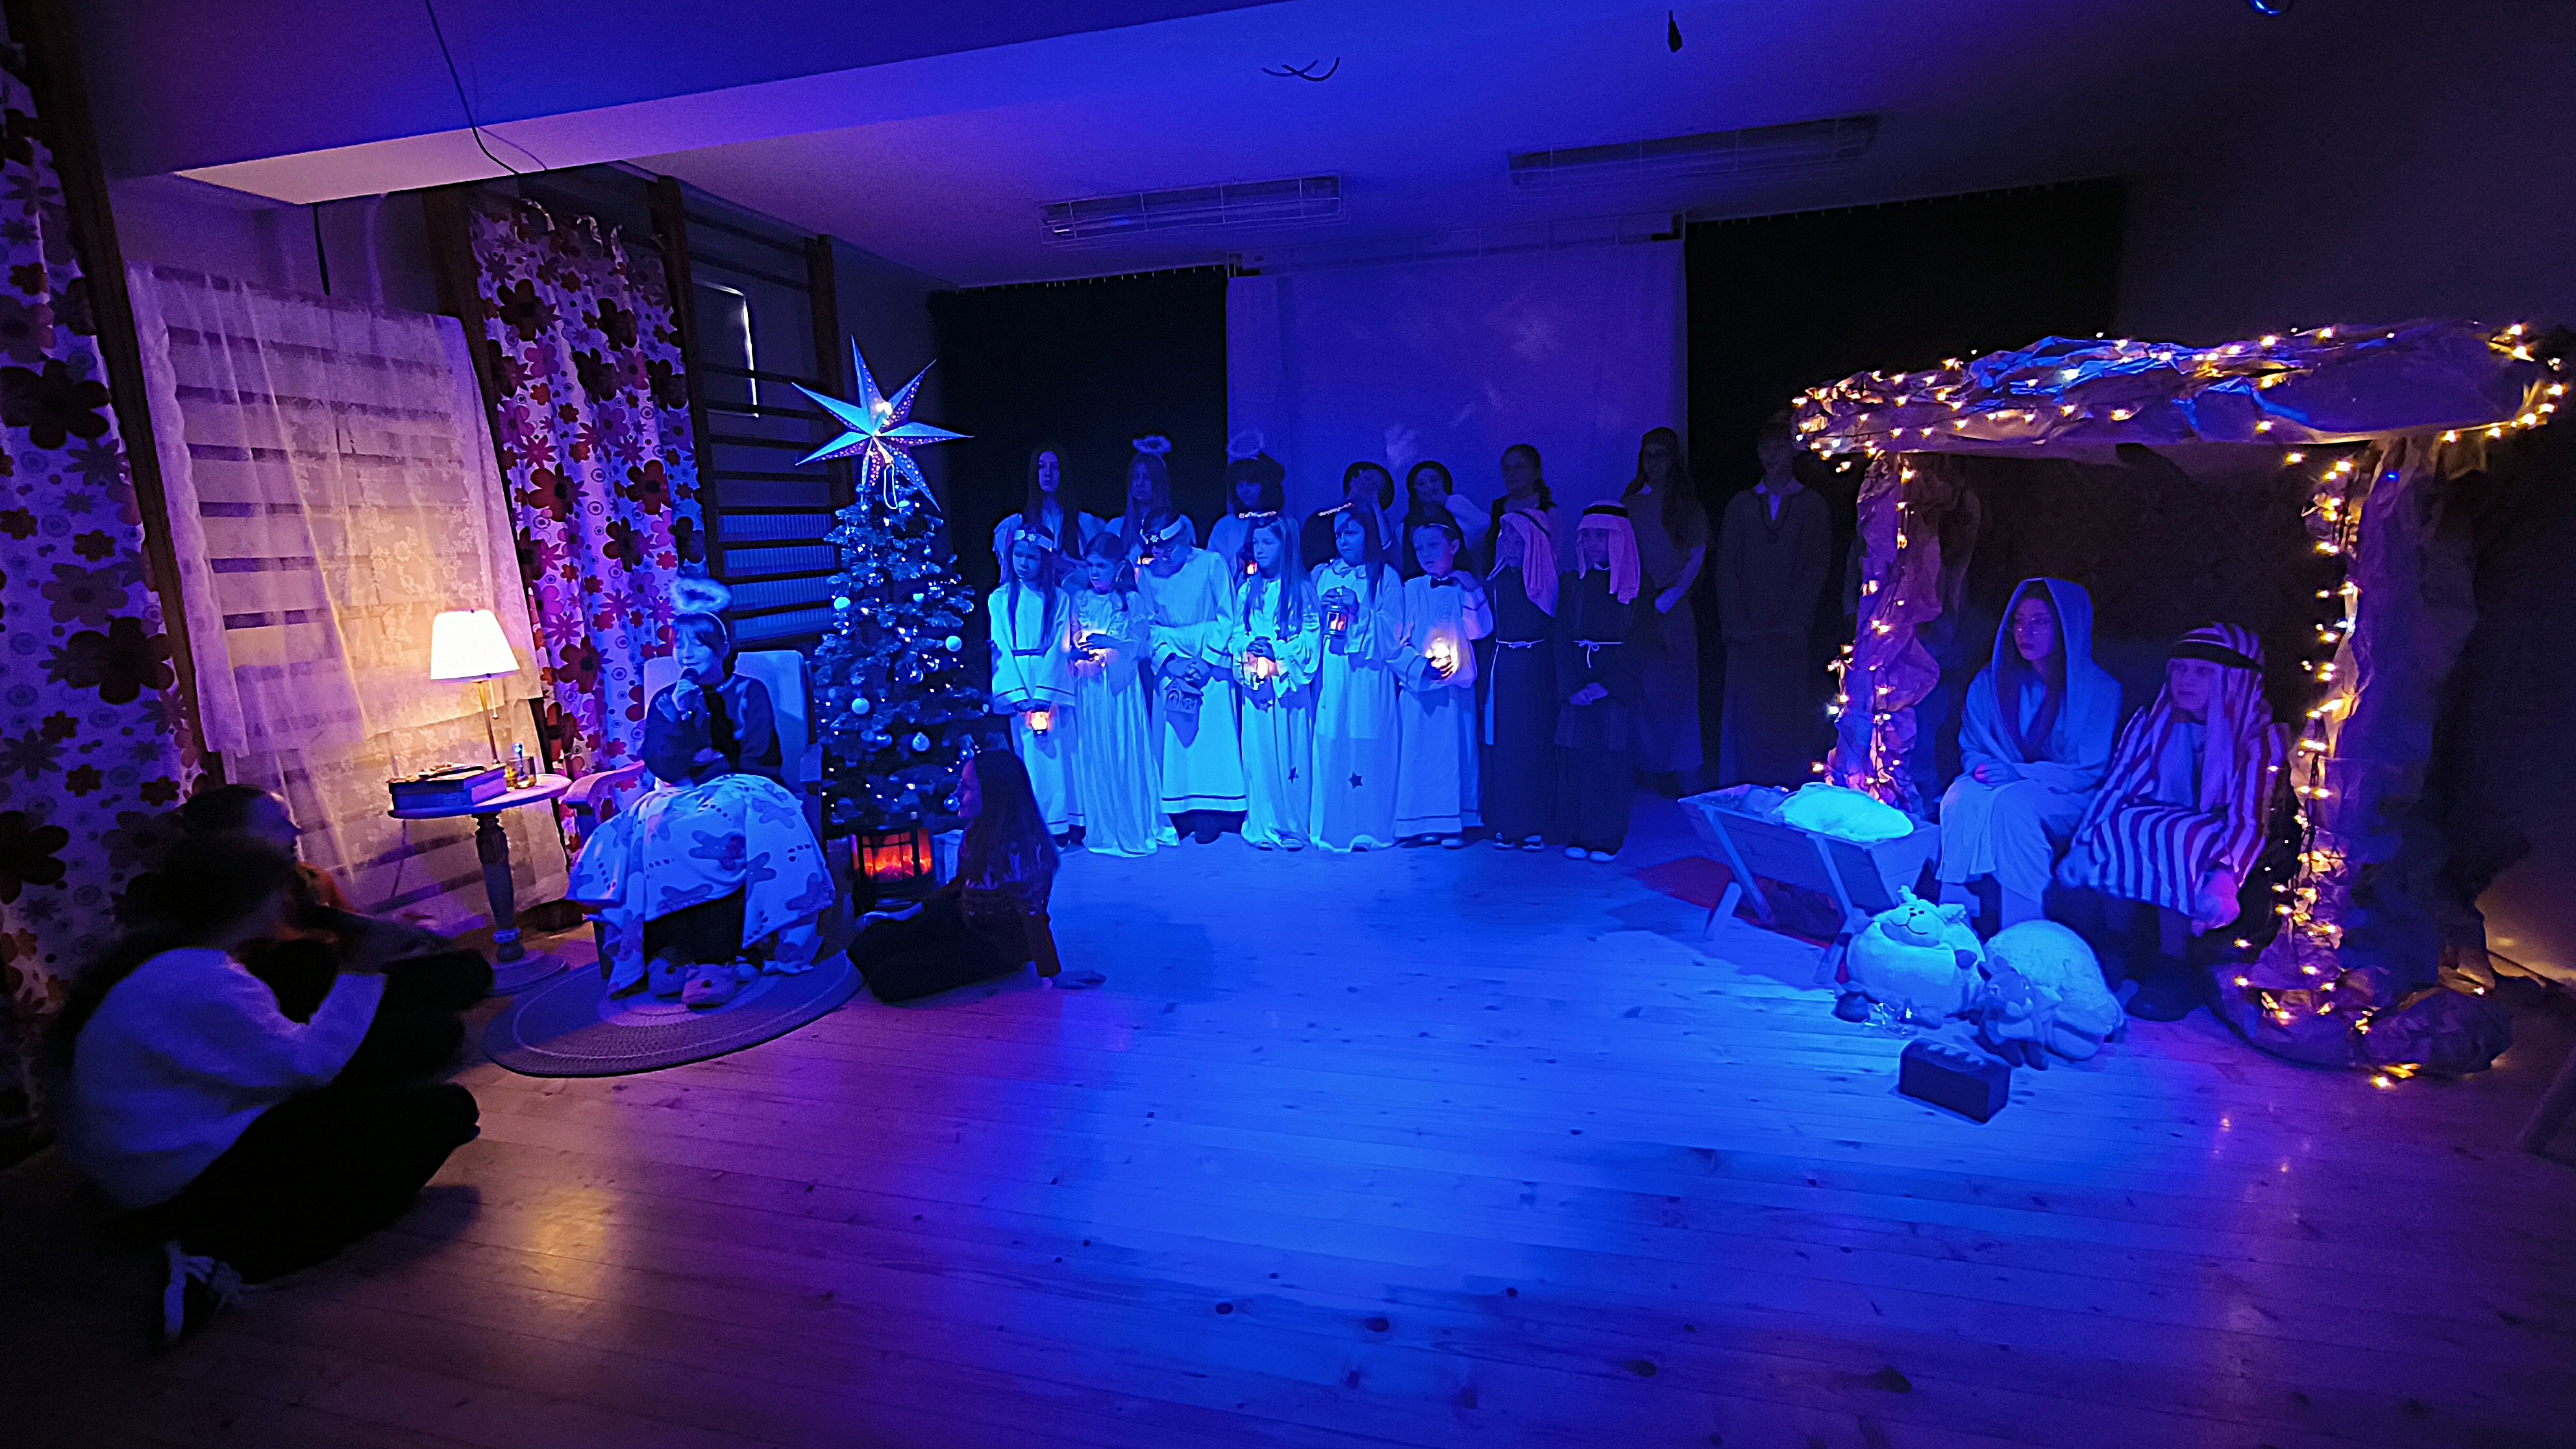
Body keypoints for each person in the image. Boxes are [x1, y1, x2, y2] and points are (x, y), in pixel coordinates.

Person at [52, 835, 486, 1343]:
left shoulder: (167, 960)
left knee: (408, 1086)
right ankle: (225, 1257)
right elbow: (308, 1066)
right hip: (173, 1173)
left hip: (156, 1153)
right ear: (258, 899)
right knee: (444, 1114)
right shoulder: (203, 979)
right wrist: (362, 968)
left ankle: (211, 1231)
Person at [567, 576, 834, 1006]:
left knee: (713, 829)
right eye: (680, 644)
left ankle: (719, 955)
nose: (687, 654)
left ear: (722, 648)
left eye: (699, 644)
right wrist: (681, 719)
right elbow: (663, 765)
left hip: (744, 784)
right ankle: (670, 950)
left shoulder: (750, 691)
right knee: (655, 829)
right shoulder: (667, 700)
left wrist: (712, 757)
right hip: (678, 789)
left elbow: (760, 757)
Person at [2057, 623, 2286, 1021]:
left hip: (2219, 831)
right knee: (2125, 822)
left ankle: (2174, 962)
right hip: (2165, 817)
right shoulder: (2154, 722)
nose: (2186, 680)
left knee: (2180, 834)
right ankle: (2117, 944)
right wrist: (2085, 843)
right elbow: (2120, 784)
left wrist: (2226, 878)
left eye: (2202, 672)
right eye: (2180, 669)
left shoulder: (2258, 737)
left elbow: (2251, 815)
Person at [127, 784, 448, 1020]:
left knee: (457, 972)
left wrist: (396, 933)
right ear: (234, 842)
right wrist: (366, 966)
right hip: (301, 1020)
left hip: (352, 993)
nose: (296, 830)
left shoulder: (310, 879)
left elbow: (353, 936)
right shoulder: (218, 918)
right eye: (279, 825)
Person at [1937, 579, 2121, 933]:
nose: (2026, 633)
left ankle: (2024, 926)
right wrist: (1983, 770)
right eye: (2019, 622)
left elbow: (2088, 771)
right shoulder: (1991, 682)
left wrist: (2019, 774)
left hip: (2070, 795)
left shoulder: (2100, 691)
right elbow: (1974, 745)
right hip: (2004, 784)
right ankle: (1954, 917)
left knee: (2014, 804)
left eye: (2039, 622)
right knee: (1962, 794)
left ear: (2065, 627)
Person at [852, 750, 1101, 1001]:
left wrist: (1054, 973)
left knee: (888, 980)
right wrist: (906, 914)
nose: (957, 794)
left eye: (968, 787)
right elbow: (961, 884)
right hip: (963, 919)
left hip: (995, 947)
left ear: (994, 795)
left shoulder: (1022, 851)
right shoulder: (976, 832)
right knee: (867, 946)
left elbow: (1033, 916)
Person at [1716, 412, 1833, 786]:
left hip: (1789, 633)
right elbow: (1728, 568)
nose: (1771, 455)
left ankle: (1786, 783)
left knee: (1787, 709)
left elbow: (1816, 568)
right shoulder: (1741, 505)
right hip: (1747, 633)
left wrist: (1795, 622)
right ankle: (1745, 785)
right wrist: (1737, 623)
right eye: (1765, 448)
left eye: (1779, 447)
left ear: (1793, 451)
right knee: (1748, 711)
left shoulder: (1811, 506)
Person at [1137, 508, 1247, 842]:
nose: (1164, 556)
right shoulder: (1149, 576)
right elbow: (1148, 625)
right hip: (1172, 664)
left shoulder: (1211, 564)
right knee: (1176, 741)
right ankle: (1179, 808)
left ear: (1184, 538)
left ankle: (1214, 810)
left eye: (1170, 549)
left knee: (1211, 737)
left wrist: (1207, 660)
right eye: (1158, 550)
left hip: (1208, 663)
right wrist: (1170, 661)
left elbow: (1227, 615)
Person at [1066, 530, 1172, 858]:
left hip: (1120, 691)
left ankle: (1131, 821)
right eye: (1090, 566)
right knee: (1096, 751)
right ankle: (1103, 824)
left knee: (1123, 749)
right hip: (1091, 688)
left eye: (1102, 566)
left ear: (1118, 567)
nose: (1095, 573)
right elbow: (1071, 642)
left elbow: (1142, 646)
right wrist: (1077, 655)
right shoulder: (1080, 600)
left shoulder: (1130, 601)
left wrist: (1110, 644)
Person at [1392, 519, 1492, 846]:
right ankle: (1421, 820)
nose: (1425, 554)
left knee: (1454, 752)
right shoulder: (1411, 589)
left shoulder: (1464, 588)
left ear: (1454, 546)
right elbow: (1396, 641)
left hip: (1454, 691)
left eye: (1433, 545)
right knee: (1420, 753)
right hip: (1420, 692)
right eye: (1419, 548)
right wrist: (1421, 667)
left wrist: (1473, 591)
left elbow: (1480, 631)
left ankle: (1455, 820)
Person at [1621, 428, 1710, 787]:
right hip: (1638, 608)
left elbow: (1696, 556)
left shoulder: (1685, 504)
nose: (1654, 463)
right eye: (1648, 455)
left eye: (1661, 455)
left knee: (1677, 691)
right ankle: (1646, 766)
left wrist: (1671, 596)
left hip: (1672, 608)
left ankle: (1679, 771)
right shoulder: (1631, 502)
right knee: (1642, 690)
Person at [1311, 506, 1404, 853]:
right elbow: (1309, 628)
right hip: (1335, 673)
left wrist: (1360, 611)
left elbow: (1393, 635)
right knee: (1334, 738)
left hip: (1368, 675)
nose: (1343, 541)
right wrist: (1320, 612)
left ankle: (1370, 826)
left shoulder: (1385, 577)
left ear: (1369, 534)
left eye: (1351, 533)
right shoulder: (1324, 575)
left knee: (1368, 738)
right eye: (1338, 534)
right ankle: (1334, 825)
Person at [1227, 514, 1322, 850]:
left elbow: (1311, 640)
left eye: (1268, 542)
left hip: (1288, 690)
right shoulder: (1247, 591)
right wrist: (1248, 647)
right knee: (1262, 755)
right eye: (1256, 543)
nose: (1260, 549)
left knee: (1292, 753)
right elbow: (1236, 635)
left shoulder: (1301, 591)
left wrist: (1278, 652)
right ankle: (1264, 821)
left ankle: (1292, 823)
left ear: (1286, 545)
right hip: (1258, 690)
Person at [1554, 506, 1644, 860]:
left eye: (1601, 536)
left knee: (1610, 759)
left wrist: (1608, 685)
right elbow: (1561, 635)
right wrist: (1571, 686)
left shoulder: (1638, 587)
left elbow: (1641, 642)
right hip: (1578, 682)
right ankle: (1577, 832)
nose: (1592, 543)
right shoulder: (1572, 584)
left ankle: (1607, 836)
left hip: (1612, 687)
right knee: (1575, 758)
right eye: (1587, 535)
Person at [989, 529, 1080, 845]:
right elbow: (1000, 645)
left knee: (1053, 753)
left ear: (1045, 561)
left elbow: (1060, 645)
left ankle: (1059, 825)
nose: (1024, 564)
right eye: (1019, 555)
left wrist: (1045, 693)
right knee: (1027, 755)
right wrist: (1015, 694)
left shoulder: (1059, 598)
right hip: (1019, 680)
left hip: (1046, 679)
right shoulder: (1000, 599)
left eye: (1032, 557)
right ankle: (1035, 826)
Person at [1481, 508, 1558, 850]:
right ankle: (1507, 823)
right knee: (1505, 745)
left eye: (1519, 540)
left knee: (1536, 745)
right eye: (1506, 539)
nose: (1510, 546)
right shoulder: (1496, 583)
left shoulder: (1552, 585)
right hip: (1506, 668)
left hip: (1538, 668)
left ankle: (1534, 824)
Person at [990, 444, 1101, 576]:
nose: (1048, 473)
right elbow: (1007, 574)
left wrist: (1065, 565)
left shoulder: (1085, 523)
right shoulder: (1015, 524)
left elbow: (1098, 571)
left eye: (1055, 467)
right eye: (1042, 467)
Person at [1398, 461, 1489, 580]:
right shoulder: (1406, 526)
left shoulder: (1458, 510)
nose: (1429, 487)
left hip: (1463, 584)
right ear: (1414, 490)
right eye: (1421, 484)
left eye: (1434, 480)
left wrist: (1445, 500)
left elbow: (1483, 527)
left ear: (1443, 482)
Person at [1302, 462, 1398, 570]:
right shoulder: (1320, 519)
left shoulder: (1379, 524)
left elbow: (1384, 548)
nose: (1364, 483)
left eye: (1374, 484)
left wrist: (1373, 502)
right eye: (1362, 476)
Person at [1207, 446, 1287, 573]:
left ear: (1266, 485)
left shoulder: (1284, 524)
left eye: (1251, 483)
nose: (1244, 490)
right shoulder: (1225, 525)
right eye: (1240, 484)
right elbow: (1213, 569)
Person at [1113, 436, 1183, 564]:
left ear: (1159, 483)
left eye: (1147, 478)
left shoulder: (1179, 525)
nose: (1139, 483)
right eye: (1135, 477)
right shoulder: (1116, 527)